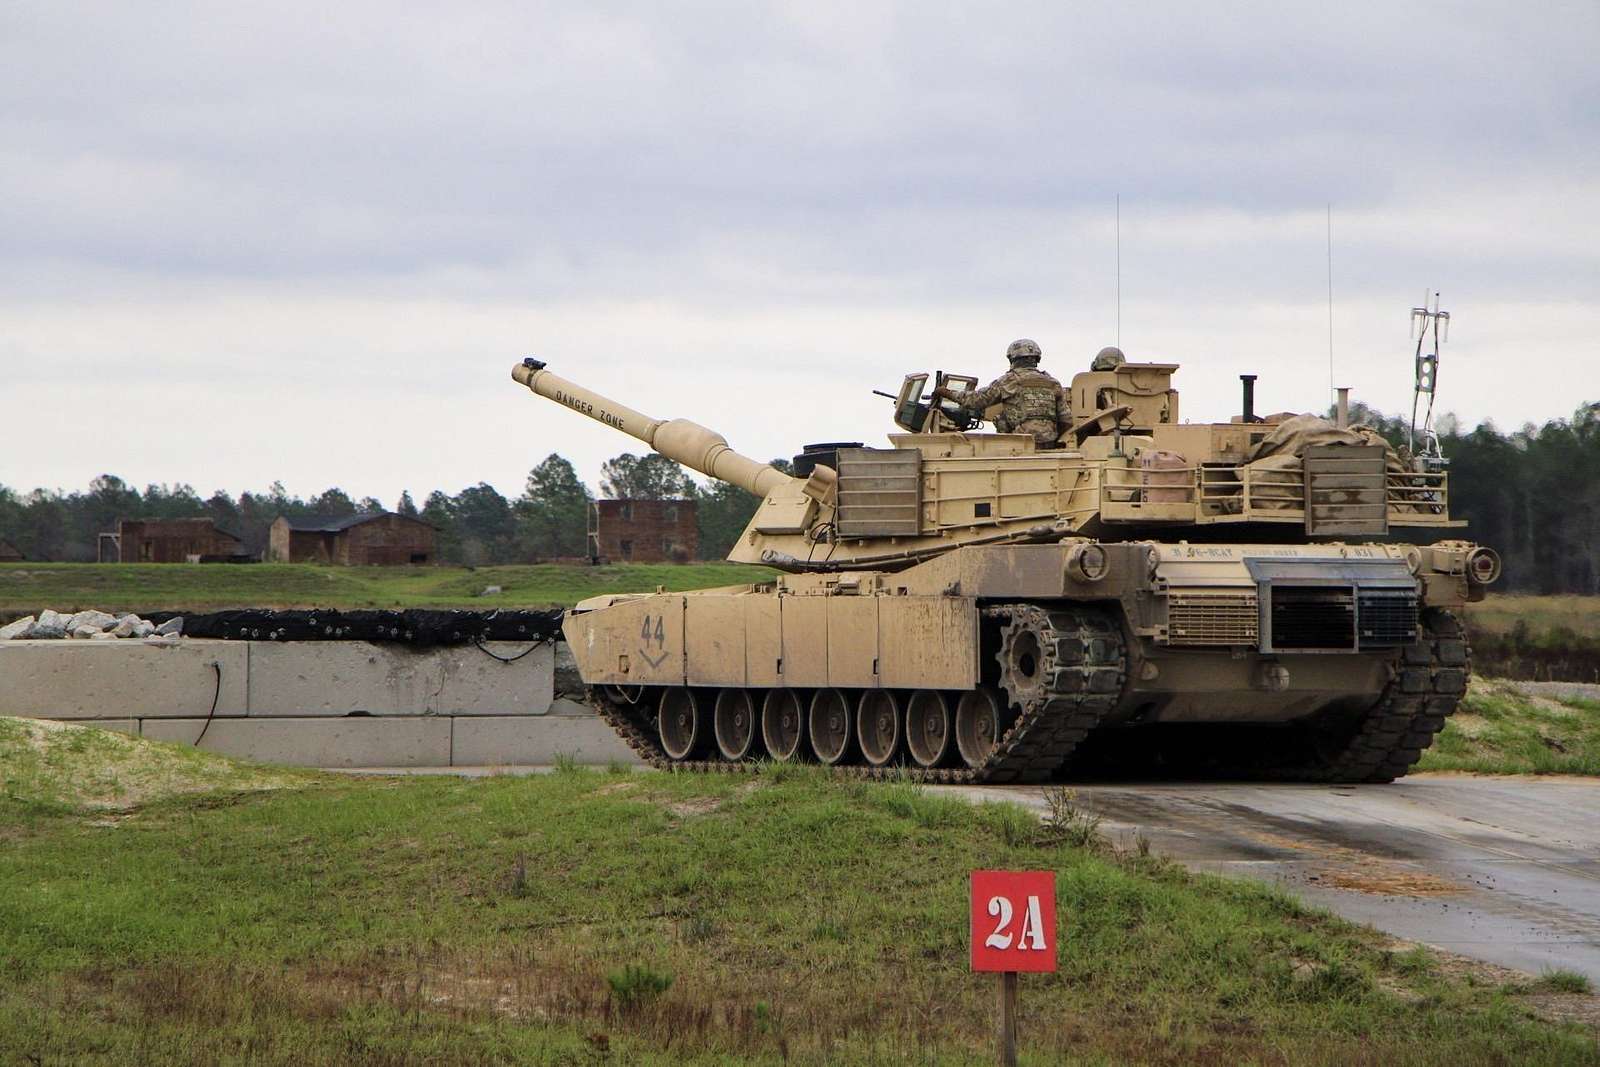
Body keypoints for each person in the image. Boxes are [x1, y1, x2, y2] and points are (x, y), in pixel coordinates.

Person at [933, 338, 1067, 446]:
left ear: (1012, 359)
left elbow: (977, 400)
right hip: (1049, 443)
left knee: (1001, 418)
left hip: (1022, 443)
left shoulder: (1009, 381)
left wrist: (947, 393)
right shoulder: (1053, 383)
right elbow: (1066, 420)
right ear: (1037, 359)